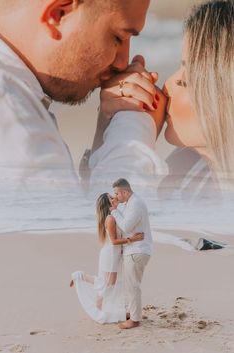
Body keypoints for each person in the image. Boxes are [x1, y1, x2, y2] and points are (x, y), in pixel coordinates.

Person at [86, 0, 234, 196]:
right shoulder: (187, 168)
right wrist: (106, 128)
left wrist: (134, 130)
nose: (167, 85)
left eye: (185, 81)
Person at [0, 0, 154, 183]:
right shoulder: (14, 119)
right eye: (118, 38)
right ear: (58, 15)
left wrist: (106, 136)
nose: (122, 62)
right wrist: (132, 126)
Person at [70, 192, 144, 324]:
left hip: (114, 253)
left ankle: (99, 305)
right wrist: (133, 239)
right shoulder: (110, 219)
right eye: (112, 197)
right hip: (110, 254)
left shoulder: (114, 216)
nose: (115, 197)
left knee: (109, 283)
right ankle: (80, 276)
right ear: (108, 203)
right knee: (109, 283)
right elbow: (114, 241)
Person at [110, 179, 152, 329]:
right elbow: (126, 221)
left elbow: (126, 226)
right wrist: (117, 208)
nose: (115, 196)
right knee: (132, 285)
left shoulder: (136, 204)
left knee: (132, 286)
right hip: (136, 249)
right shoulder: (131, 204)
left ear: (125, 192)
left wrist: (114, 211)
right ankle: (133, 313)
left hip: (137, 250)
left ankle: (134, 320)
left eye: (117, 193)